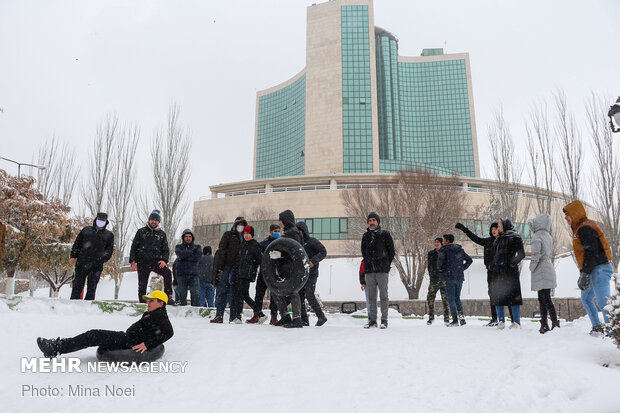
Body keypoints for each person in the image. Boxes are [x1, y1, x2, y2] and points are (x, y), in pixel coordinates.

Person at [37, 290, 174, 358]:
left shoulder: (161, 316)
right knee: (93, 335)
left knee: (92, 335)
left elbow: (169, 332)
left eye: (151, 301)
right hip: (126, 338)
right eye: (148, 300)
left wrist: (146, 344)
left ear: (161, 303)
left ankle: (55, 348)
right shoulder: (153, 314)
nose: (148, 303)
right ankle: (57, 346)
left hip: (128, 342)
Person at [563, 200, 613, 336]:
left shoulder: (585, 227)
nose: (566, 217)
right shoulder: (580, 227)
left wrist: (585, 273)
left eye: (567, 214)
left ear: (575, 213)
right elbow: (585, 254)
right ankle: (597, 327)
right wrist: (583, 273)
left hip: (600, 268)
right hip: (592, 269)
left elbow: (591, 252)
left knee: (604, 302)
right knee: (586, 298)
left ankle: (612, 332)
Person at [455, 221, 509, 326]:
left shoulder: (503, 241)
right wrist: (464, 229)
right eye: (492, 229)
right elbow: (475, 238)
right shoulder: (488, 241)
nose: (493, 231)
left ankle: (504, 319)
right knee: (492, 294)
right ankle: (494, 319)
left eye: (495, 228)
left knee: (501, 295)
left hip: (500, 271)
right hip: (490, 271)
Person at [129, 210, 174, 304]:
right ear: (149, 220)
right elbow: (134, 247)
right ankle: (142, 303)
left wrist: (164, 260)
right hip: (142, 262)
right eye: (152, 219)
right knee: (142, 284)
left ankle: (168, 298)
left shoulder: (162, 234)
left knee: (168, 273)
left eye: (156, 220)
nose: (154, 221)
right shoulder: (141, 232)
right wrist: (132, 261)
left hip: (156, 262)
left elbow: (165, 249)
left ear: (159, 222)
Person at [271, 209, 306, 328]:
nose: (279, 223)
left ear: (285, 220)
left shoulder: (293, 233)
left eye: (281, 220)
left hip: (291, 268)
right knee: (276, 290)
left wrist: (281, 255)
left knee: (292, 291)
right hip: (284, 267)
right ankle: (285, 316)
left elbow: (294, 251)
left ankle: (297, 319)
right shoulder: (289, 232)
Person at [361, 212, 395, 329]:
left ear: (378, 222)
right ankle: (372, 320)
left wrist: (386, 264)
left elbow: (391, 251)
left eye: (374, 220)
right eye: (370, 220)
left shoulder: (385, 234)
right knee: (371, 297)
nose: (372, 222)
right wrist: (368, 263)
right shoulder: (365, 236)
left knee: (384, 296)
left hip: (382, 270)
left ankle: (384, 320)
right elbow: (363, 252)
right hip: (369, 271)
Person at [69, 212, 114, 300]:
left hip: (96, 266)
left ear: (106, 222)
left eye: (103, 220)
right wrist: (73, 256)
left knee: (91, 289)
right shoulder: (86, 230)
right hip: (82, 263)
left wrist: (101, 259)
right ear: (96, 219)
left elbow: (109, 251)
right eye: (99, 220)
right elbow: (77, 244)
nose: (101, 222)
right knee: (77, 287)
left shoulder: (109, 235)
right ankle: (73, 306)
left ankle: (88, 308)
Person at [211, 217, 247, 323]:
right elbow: (221, 250)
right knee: (222, 291)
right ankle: (219, 315)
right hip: (227, 267)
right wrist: (220, 267)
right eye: (239, 224)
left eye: (242, 225)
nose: (240, 227)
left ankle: (233, 315)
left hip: (238, 269)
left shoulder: (245, 238)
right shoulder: (228, 235)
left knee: (235, 293)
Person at [491, 219, 525, 329]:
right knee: (498, 296)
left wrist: (511, 264)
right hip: (498, 272)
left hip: (510, 272)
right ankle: (501, 321)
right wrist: (493, 266)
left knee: (514, 297)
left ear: (505, 226)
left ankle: (516, 322)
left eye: (500, 225)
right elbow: (495, 255)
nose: (498, 228)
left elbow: (521, 254)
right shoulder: (498, 239)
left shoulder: (514, 237)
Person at [528, 214, 559, 334]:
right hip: (548, 266)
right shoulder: (548, 236)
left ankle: (547, 323)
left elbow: (536, 254)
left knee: (543, 298)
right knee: (546, 297)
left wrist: (531, 268)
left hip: (541, 269)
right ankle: (550, 322)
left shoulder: (537, 236)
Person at [296, 221, 328, 326]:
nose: (299, 233)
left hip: (312, 274)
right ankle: (304, 319)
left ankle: (321, 316)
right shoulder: (296, 243)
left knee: (309, 295)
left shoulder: (312, 241)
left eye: (300, 231)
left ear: (304, 231)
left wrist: (313, 261)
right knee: (300, 296)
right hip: (301, 274)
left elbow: (323, 251)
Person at [437, 234, 473, 327]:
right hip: (459, 277)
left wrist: (440, 268)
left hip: (449, 276)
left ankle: (455, 320)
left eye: (444, 240)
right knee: (457, 297)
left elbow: (440, 261)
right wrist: (461, 268)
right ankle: (461, 317)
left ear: (447, 241)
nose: (443, 242)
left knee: (451, 298)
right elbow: (469, 260)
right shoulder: (460, 249)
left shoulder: (444, 249)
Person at [248, 224, 280, 325]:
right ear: (270, 232)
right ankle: (256, 315)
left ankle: (274, 316)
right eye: (275, 231)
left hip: (275, 272)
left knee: (275, 296)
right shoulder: (263, 243)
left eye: (279, 231)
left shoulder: (281, 242)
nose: (277, 233)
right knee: (259, 294)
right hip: (264, 272)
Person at [231, 225, 261, 323]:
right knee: (243, 295)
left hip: (248, 274)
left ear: (252, 234)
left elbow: (260, 260)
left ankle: (239, 316)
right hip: (240, 274)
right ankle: (258, 313)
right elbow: (238, 260)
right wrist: (233, 272)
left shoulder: (255, 245)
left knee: (242, 295)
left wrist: (255, 270)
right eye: (244, 233)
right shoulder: (242, 245)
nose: (246, 235)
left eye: (248, 233)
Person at [174, 229, 202, 306]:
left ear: (192, 237)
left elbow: (197, 257)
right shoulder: (178, 246)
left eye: (190, 236)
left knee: (196, 294)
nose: (188, 238)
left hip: (194, 274)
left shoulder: (198, 247)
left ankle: (196, 311)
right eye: (186, 236)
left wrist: (185, 256)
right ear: (183, 238)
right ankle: (182, 311)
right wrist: (191, 252)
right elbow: (180, 255)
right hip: (181, 274)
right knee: (182, 294)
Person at [426, 237, 450, 326]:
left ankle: (446, 318)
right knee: (430, 299)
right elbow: (429, 266)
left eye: (438, 242)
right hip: (433, 280)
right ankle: (431, 317)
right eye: (435, 242)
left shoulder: (445, 253)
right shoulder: (431, 253)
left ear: (442, 244)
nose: (436, 244)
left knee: (445, 299)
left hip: (444, 280)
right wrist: (432, 274)